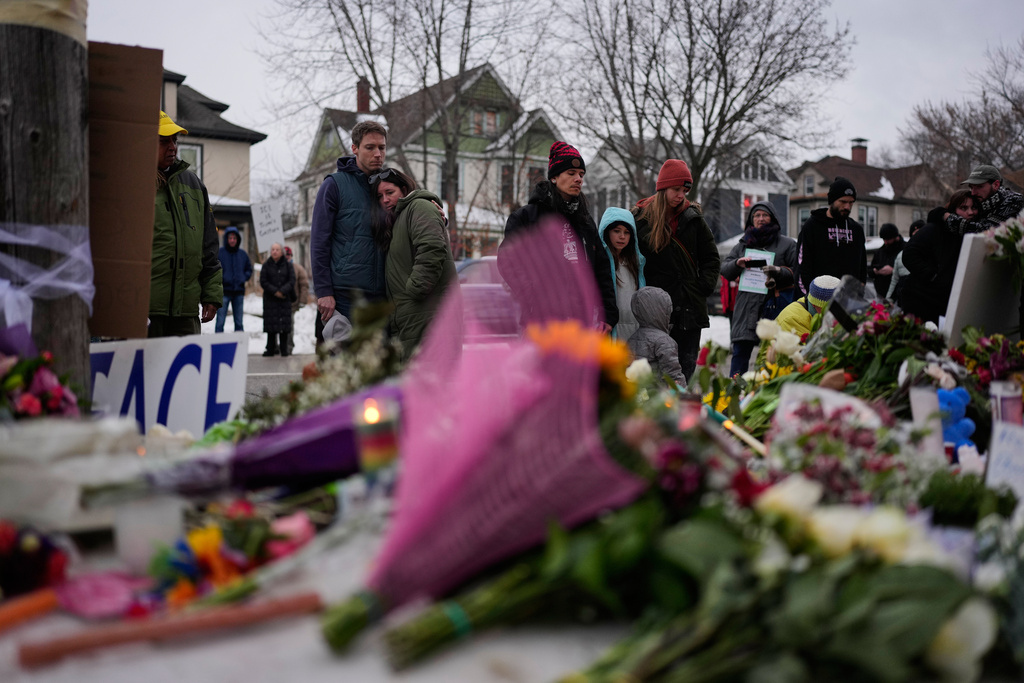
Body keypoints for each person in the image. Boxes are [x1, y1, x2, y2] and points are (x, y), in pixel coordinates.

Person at [500, 141, 618, 331]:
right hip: (541, 324)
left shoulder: (586, 222)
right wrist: (533, 297)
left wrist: (607, 314)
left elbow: (602, 270)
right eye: (571, 174)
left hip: (583, 323)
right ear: (554, 177)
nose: (578, 179)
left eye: (581, 174)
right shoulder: (527, 218)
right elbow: (508, 261)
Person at [632, 159, 720, 381]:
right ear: (663, 188)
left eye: (685, 190)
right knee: (653, 374)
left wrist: (702, 287)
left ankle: (679, 416)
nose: (681, 195)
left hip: (689, 309)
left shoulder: (694, 219)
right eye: (676, 189)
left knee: (683, 373)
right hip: (655, 310)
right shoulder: (641, 219)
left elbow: (711, 258)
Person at [309, 121, 388, 346]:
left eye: (382, 148)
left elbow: (414, 206)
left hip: (381, 296)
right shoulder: (334, 185)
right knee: (342, 372)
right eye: (370, 147)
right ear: (354, 149)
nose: (378, 154)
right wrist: (323, 290)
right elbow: (319, 243)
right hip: (344, 297)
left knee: (377, 374)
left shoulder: (388, 187)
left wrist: (436, 210)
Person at [371, 168, 458, 357]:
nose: (385, 200)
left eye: (390, 192)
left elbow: (432, 247)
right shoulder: (395, 221)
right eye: (380, 196)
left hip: (426, 313)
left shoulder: (419, 206)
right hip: (410, 317)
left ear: (403, 189)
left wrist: (416, 289)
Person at [150, 110, 222, 337]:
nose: (172, 146)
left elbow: (208, 243)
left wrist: (211, 294)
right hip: (147, 311)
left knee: (187, 373)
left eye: (175, 140)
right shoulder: (133, 181)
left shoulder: (193, 183)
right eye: (164, 141)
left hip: (186, 313)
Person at [720, 202, 798, 377]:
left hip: (774, 307)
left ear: (773, 218)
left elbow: (798, 273)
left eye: (765, 215)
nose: (761, 219)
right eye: (757, 215)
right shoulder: (742, 244)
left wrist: (778, 272)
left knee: (771, 357)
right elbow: (724, 270)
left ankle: (763, 393)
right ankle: (734, 397)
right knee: (739, 357)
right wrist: (737, 264)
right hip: (746, 308)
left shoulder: (787, 244)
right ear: (751, 220)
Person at [900, 191, 979, 324]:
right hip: (921, 299)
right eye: (964, 208)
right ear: (952, 211)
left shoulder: (974, 232)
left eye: (974, 207)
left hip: (946, 303)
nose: (970, 212)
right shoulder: (934, 229)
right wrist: (933, 276)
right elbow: (909, 254)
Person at [795, 176, 867, 295]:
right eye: (843, 202)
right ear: (832, 200)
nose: (847, 207)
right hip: (818, 300)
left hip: (848, 301)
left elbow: (862, 268)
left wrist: (858, 294)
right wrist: (808, 298)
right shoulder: (812, 226)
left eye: (851, 202)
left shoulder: (856, 230)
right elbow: (802, 266)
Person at [599, 207, 646, 341]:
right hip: (609, 329)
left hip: (634, 328)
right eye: (616, 231)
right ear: (606, 231)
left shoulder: (636, 263)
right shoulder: (600, 264)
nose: (622, 236)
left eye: (627, 232)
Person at [627, 287, 686, 387]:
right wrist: (683, 392)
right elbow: (673, 374)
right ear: (663, 311)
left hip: (638, 394)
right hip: (658, 396)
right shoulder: (664, 341)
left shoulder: (632, 338)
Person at [944, 164, 1024, 235]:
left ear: (996, 185)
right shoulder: (982, 201)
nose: (973, 193)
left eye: (979, 186)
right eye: (971, 187)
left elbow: (985, 232)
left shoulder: (1014, 200)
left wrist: (947, 217)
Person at [775, 275, 840, 338]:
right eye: (830, 308)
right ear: (814, 304)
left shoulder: (811, 306)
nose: (836, 312)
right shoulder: (793, 319)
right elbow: (810, 347)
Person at [260, 242, 296, 356]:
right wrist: (275, 291)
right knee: (271, 324)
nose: (275, 251)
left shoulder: (288, 265)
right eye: (273, 249)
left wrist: (282, 291)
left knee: (284, 324)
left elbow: (292, 280)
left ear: (282, 252)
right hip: (271, 299)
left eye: (277, 249)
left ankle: (284, 349)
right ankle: (270, 348)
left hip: (284, 299)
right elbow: (263, 281)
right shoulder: (266, 265)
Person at [215, 226, 252, 333]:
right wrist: (221, 279)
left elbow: (249, 269)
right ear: (226, 239)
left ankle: (239, 345)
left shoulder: (243, 254)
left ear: (237, 240)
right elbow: (215, 268)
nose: (232, 240)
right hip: (224, 292)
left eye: (234, 238)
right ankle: (217, 345)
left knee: (239, 322)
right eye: (230, 238)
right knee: (220, 322)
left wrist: (243, 278)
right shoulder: (220, 253)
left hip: (238, 293)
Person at [886, 219, 924, 303]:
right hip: (904, 302)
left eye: (920, 232)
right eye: (915, 233)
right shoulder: (901, 255)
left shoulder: (933, 255)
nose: (918, 236)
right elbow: (894, 280)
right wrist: (888, 299)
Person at [284, 246, 309, 354]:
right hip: (278, 304)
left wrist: (302, 300)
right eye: (285, 255)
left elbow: (304, 285)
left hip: (292, 303)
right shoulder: (277, 268)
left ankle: (289, 346)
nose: (286, 257)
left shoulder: (298, 269)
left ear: (291, 256)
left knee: (289, 325)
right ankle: (278, 346)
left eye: (288, 255)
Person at [869, 223, 904, 299]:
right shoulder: (880, 251)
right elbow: (870, 270)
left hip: (900, 295)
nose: (885, 242)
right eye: (884, 239)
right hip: (882, 295)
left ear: (895, 237)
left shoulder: (905, 250)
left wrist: (893, 271)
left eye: (888, 239)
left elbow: (910, 270)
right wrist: (875, 271)